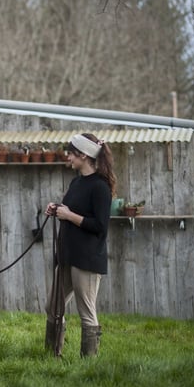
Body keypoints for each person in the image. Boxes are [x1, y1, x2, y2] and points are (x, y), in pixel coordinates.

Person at [44, 133, 116, 357]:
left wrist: (69, 215)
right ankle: (52, 354)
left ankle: (88, 363)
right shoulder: (77, 182)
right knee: (53, 307)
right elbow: (71, 210)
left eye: (72, 154)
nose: (69, 158)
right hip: (67, 255)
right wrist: (56, 209)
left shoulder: (100, 187)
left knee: (86, 312)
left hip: (87, 258)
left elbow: (100, 226)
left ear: (84, 155)